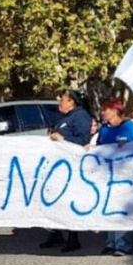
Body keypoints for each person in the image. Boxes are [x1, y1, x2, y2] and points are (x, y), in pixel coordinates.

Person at [39, 89, 92, 252]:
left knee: (67, 201)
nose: (59, 103)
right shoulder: (66, 117)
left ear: (71, 102)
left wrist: (63, 139)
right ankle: (56, 234)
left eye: (62, 100)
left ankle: (73, 238)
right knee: (54, 200)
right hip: (59, 167)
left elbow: (83, 141)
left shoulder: (81, 117)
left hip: (71, 168)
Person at [92, 98, 133, 256]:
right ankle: (111, 242)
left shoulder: (129, 127)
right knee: (109, 207)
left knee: (121, 208)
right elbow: (100, 147)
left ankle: (123, 244)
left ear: (114, 111)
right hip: (107, 174)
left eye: (104, 109)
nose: (102, 112)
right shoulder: (104, 129)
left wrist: (126, 147)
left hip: (125, 174)